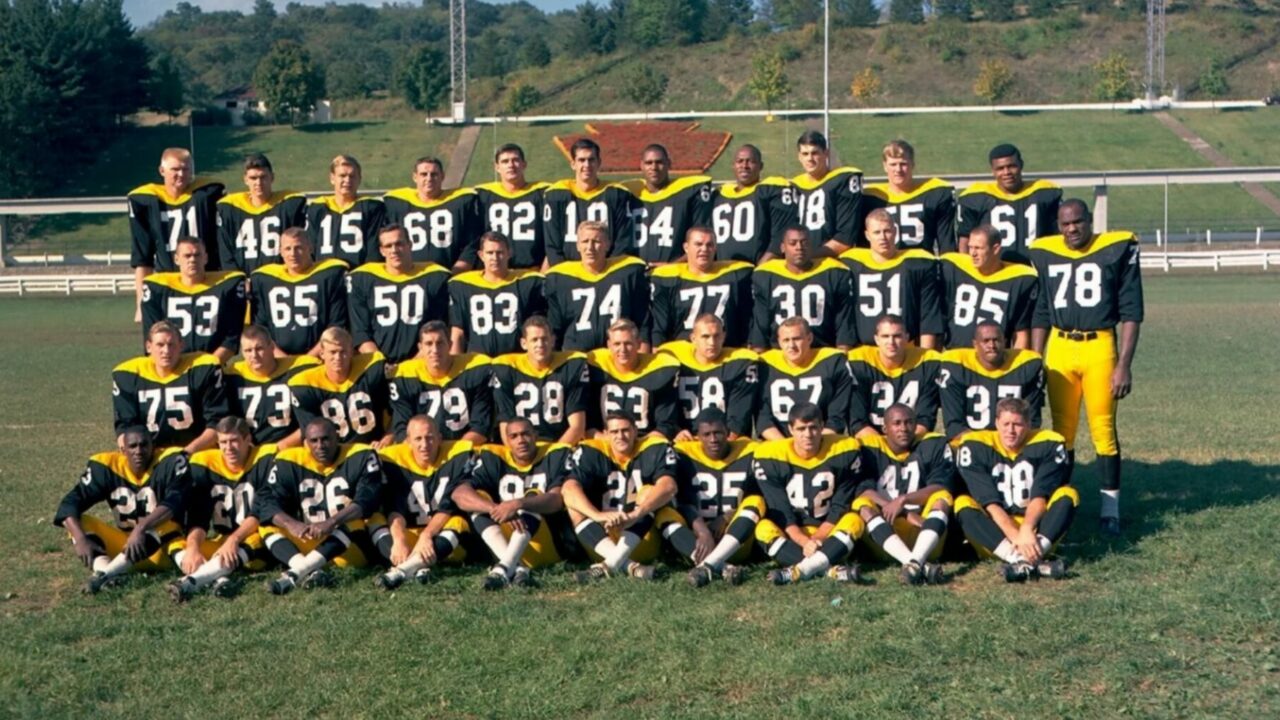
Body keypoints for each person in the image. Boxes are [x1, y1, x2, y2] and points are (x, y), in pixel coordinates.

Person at [1028, 199, 1143, 535]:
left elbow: (1132, 311)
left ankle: (1110, 511)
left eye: (1077, 222)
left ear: (1089, 221)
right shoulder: (1045, 252)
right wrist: (1036, 360)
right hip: (1060, 348)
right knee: (1061, 432)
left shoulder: (1115, 247)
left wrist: (1124, 363)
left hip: (1100, 346)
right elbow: (1042, 313)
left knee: (1103, 430)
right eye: (1065, 224)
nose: (1071, 229)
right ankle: (1062, 504)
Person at [53, 427, 191, 594]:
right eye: (133, 446)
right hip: (123, 547)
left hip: (163, 550)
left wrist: (141, 528)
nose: (138, 451)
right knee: (79, 523)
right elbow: (70, 504)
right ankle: (109, 572)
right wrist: (80, 538)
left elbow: (175, 501)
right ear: (123, 450)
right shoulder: (107, 467)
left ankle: (104, 576)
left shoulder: (170, 461)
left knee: (166, 524)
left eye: (144, 445)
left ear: (153, 446)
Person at [256, 418, 384, 595]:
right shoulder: (288, 460)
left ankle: (296, 573)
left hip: (346, 548)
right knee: (267, 525)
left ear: (337, 436)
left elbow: (368, 499)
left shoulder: (361, 455)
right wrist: (291, 524)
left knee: (356, 521)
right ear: (305, 443)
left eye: (326, 439)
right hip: (308, 540)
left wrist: (332, 521)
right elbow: (266, 503)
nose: (320, 446)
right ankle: (310, 569)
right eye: (314, 441)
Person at [954, 398, 1077, 582]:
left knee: (1069, 494)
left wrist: (1027, 529)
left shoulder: (1048, 443)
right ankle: (1025, 561)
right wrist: (1016, 536)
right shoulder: (975, 445)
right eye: (1006, 424)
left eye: (1017, 424)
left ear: (1028, 424)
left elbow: (1040, 496)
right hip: (996, 536)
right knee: (962, 503)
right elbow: (990, 504)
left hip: (1036, 535)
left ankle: (1023, 564)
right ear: (996, 423)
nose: (1010, 431)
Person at [561, 412, 691, 582]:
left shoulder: (653, 447)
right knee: (574, 506)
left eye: (625, 430)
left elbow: (668, 486)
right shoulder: (591, 450)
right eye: (614, 432)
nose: (620, 436)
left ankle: (611, 565)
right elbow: (568, 489)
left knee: (648, 491)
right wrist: (598, 516)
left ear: (636, 431)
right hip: (602, 540)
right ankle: (630, 566)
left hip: (641, 536)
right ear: (606, 434)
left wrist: (635, 515)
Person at [451, 418, 573, 589]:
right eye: (514, 436)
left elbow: (556, 501)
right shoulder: (494, 457)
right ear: (507, 441)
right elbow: (459, 494)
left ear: (535, 435)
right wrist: (495, 508)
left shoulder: (554, 454)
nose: (521, 440)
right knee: (479, 499)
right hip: (506, 541)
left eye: (525, 434)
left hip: (546, 543)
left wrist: (517, 503)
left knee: (533, 497)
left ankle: (504, 567)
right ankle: (515, 567)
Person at [754, 403, 865, 585]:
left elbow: (840, 504)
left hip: (829, 533)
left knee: (854, 520)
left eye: (813, 427)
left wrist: (818, 537)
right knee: (763, 528)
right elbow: (780, 510)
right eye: (801, 429)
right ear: (790, 429)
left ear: (822, 426)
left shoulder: (845, 450)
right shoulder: (770, 455)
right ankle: (829, 571)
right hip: (793, 534)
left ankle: (800, 571)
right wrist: (804, 541)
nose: (808, 434)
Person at [168, 417, 276, 602]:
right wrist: (193, 547)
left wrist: (234, 539)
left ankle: (190, 583)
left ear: (248, 439)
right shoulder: (205, 463)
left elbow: (261, 511)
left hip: (253, 540)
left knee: (260, 538)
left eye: (234, 441)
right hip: (222, 541)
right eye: (223, 442)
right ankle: (218, 576)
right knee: (177, 545)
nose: (229, 448)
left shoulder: (264, 459)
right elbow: (198, 516)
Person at [851, 404, 956, 585]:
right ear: (884, 428)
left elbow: (940, 485)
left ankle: (914, 563)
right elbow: (862, 489)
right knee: (862, 504)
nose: (903, 428)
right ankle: (914, 562)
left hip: (925, 531)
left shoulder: (933, 444)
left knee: (943, 497)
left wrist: (904, 499)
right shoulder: (869, 448)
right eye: (897, 423)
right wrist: (905, 512)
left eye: (909, 422)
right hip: (887, 534)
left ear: (916, 425)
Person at [369, 416, 473, 590]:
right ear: (408, 441)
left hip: (440, 536)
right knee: (374, 520)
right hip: (409, 533)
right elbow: (395, 508)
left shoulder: (457, 455)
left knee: (459, 521)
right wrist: (399, 539)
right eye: (418, 439)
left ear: (440, 438)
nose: (424, 445)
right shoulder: (393, 459)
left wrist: (427, 535)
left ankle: (402, 570)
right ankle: (418, 566)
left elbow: (448, 507)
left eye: (430, 437)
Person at [128, 147, 225, 321]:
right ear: (162, 170)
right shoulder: (146, 200)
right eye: (175, 169)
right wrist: (141, 304)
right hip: (168, 282)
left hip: (205, 282)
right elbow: (143, 258)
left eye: (186, 169)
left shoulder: (208, 193)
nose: (181, 174)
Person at [676, 409, 763, 588]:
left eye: (718, 433)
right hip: (697, 539)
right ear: (697, 436)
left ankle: (707, 565)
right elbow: (680, 500)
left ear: (728, 432)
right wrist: (702, 530)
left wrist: (725, 518)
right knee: (665, 514)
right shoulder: (683, 454)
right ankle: (723, 566)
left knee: (756, 501)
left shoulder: (750, 450)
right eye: (706, 434)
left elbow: (760, 493)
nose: (713, 440)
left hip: (735, 537)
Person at [112, 320, 229, 453]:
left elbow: (217, 424)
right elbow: (124, 428)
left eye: (171, 345)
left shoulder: (202, 369)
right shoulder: (129, 375)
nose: (166, 351)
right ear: (148, 347)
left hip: (197, 454)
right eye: (160, 345)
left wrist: (186, 453)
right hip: (149, 456)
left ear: (181, 346)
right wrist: (137, 453)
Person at [347, 224, 450, 365]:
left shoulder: (434, 277)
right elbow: (361, 332)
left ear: (410, 244)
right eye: (388, 246)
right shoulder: (363, 279)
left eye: (399, 244)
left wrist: (408, 367)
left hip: (422, 364)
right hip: (378, 365)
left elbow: (437, 329)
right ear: (381, 251)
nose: (394, 250)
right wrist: (381, 365)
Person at [840, 209, 944, 348]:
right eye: (877, 232)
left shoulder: (917, 263)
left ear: (895, 231)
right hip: (866, 351)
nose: (883, 237)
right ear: (867, 235)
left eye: (887, 231)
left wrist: (927, 358)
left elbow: (928, 318)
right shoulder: (851, 263)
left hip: (904, 348)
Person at [544, 220, 650, 351]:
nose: (590, 247)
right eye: (585, 241)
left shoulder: (628, 272)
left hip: (618, 355)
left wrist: (643, 352)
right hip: (577, 355)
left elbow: (642, 321)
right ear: (577, 245)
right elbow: (555, 327)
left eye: (596, 242)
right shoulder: (561, 278)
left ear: (607, 245)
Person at [141, 235, 247, 361]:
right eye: (187, 256)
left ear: (206, 258)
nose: (192, 260)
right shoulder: (158, 289)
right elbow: (152, 338)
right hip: (173, 367)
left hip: (213, 364)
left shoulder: (227, 287)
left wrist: (209, 366)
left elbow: (231, 338)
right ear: (176, 259)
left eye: (197, 255)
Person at [750, 225, 855, 350]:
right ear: (783, 247)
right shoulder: (766, 275)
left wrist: (841, 355)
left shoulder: (834, 272)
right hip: (780, 354)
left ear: (812, 246)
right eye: (792, 243)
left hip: (820, 352)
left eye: (804, 243)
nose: (799, 248)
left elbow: (843, 323)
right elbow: (760, 325)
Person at [657, 314, 758, 441]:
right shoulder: (674, 359)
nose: (712, 342)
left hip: (722, 443)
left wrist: (720, 444)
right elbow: (666, 412)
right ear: (693, 338)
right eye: (705, 336)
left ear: (724, 336)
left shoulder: (740, 363)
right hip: (686, 441)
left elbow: (737, 422)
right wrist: (676, 432)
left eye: (717, 336)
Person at [249, 227, 348, 356]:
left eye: (299, 248)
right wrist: (281, 357)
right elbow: (261, 328)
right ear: (280, 251)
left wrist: (310, 357)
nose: (293, 254)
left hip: (318, 358)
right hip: (277, 361)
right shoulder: (265, 279)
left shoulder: (329, 275)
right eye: (287, 249)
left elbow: (335, 325)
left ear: (310, 248)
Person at [490, 317, 590, 444]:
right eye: (534, 340)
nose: (540, 344)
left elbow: (577, 427)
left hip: (559, 444)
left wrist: (556, 454)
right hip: (522, 449)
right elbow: (505, 424)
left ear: (553, 340)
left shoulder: (571, 366)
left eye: (544, 339)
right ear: (523, 343)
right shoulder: (507, 369)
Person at [648, 226, 753, 347]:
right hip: (684, 353)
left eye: (709, 245)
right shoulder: (669, 279)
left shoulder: (735, 275)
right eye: (698, 244)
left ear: (715, 248)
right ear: (686, 247)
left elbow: (746, 322)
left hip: (724, 351)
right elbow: (660, 328)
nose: (704, 249)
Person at [389, 321, 492, 443]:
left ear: (450, 344)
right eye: (428, 344)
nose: (435, 350)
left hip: (465, 453)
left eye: (440, 343)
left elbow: (481, 427)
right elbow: (401, 430)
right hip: (423, 455)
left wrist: (455, 454)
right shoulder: (405, 376)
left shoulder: (474, 369)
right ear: (420, 348)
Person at [938, 321, 1045, 439]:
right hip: (972, 445)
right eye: (986, 341)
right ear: (975, 344)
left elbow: (1032, 421)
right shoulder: (956, 366)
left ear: (1005, 341)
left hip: (1013, 443)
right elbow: (954, 427)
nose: (992, 345)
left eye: (996, 340)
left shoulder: (1027, 365)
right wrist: (985, 447)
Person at [939, 224, 1038, 349]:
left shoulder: (1018, 279)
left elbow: (1020, 333)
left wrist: (1018, 366)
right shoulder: (953, 268)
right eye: (970, 247)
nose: (973, 253)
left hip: (994, 358)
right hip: (956, 355)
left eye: (978, 248)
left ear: (995, 249)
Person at [957, 144, 1061, 263]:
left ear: (1021, 165)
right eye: (1000, 168)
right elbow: (965, 241)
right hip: (995, 271)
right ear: (993, 171)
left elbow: (1059, 237)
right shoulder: (976, 197)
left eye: (1011, 166)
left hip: (1035, 268)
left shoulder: (1044, 193)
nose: (1006, 172)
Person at [447, 231, 546, 357]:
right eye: (490, 253)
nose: (495, 258)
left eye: (500, 252)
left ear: (509, 253)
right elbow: (457, 334)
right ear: (481, 255)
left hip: (514, 361)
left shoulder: (527, 282)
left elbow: (536, 330)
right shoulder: (463, 285)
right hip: (478, 362)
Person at [288, 327, 391, 446]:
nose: (338, 358)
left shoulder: (371, 369)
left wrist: (386, 439)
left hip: (372, 446)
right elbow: (310, 437)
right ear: (322, 353)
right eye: (333, 352)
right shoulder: (305, 385)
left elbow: (396, 413)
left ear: (352, 352)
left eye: (343, 352)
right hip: (332, 455)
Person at [542, 138, 639, 264]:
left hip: (606, 269)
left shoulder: (616, 194)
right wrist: (562, 273)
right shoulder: (557, 194)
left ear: (599, 162)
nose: (587, 165)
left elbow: (622, 241)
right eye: (581, 160)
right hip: (569, 271)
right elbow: (552, 245)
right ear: (573, 164)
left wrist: (611, 270)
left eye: (591, 160)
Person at [756, 317, 852, 440]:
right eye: (786, 340)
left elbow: (837, 418)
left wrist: (813, 444)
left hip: (821, 444)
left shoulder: (832, 362)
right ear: (779, 342)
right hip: (778, 446)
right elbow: (763, 419)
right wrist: (787, 448)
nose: (791, 345)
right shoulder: (766, 365)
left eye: (797, 339)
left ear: (809, 338)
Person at [224, 325, 319, 447]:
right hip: (249, 453)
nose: (254, 355)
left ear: (272, 347)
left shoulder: (299, 369)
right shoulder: (233, 375)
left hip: (290, 450)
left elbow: (310, 422)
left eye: (259, 348)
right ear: (242, 353)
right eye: (248, 351)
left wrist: (282, 446)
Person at [847, 314, 941, 438]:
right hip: (871, 444)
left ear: (907, 338)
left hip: (910, 441)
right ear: (876, 339)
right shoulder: (859, 362)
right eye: (885, 336)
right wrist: (885, 448)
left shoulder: (926, 362)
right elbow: (857, 423)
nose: (891, 342)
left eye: (897, 336)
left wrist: (903, 443)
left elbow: (925, 420)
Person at [383, 156, 482, 271]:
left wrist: (456, 271)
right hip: (410, 275)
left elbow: (472, 243)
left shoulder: (460, 202)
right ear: (415, 177)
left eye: (434, 174)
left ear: (442, 176)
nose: (429, 178)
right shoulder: (397, 204)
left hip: (450, 273)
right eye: (424, 174)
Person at [588, 319, 680, 439]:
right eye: (617, 344)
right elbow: (586, 425)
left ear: (639, 343)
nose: (623, 349)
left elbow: (665, 426)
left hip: (646, 445)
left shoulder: (658, 370)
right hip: (606, 444)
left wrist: (638, 444)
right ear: (609, 345)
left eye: (628, 343)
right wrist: (608, 441)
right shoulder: (597, 368)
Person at [215, 152, 307, 273]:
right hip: (244, 279)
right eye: (253, 178)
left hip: (278, 278)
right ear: (245, 180)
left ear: (272, 177)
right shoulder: (231, 208)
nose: (258, 183)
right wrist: (237, 279)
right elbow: (226, 252)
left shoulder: (288, 205)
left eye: (263, 177)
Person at [861, 139, 956, 254]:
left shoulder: (933, 193)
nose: (898, 170)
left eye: (903, 164)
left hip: (921, 266)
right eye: (893, 164)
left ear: (913, 164)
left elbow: (947, 246)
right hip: (885, 268)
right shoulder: (871, 197)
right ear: (885, 166)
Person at [625, 144, 713, 265]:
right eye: (648, 163)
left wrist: (672, 266)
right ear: (641, 165)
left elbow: (700, 242)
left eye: (659, 162)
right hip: (637, 274)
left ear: (668, 164)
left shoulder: (686, 193)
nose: (654, 167)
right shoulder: (629, 194)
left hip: (675, 274)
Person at [711, 144, 797, 263]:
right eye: (739, 161)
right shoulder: (718, 195)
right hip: (724, 272)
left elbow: (780, 235)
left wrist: (760, 270)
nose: (744, 166)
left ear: (760, 166)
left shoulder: (769, 191)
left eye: (750, 161)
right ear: (733, 166)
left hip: (758, 268)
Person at [786, 130, 862, 256]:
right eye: (805, 154)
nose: (810, 158)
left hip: (831, 262)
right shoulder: (794, 187)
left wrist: (812, 257)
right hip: (799, 261)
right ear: (799, 156)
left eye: (815, 153)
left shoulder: (840, 181)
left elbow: (845, 237)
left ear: (826, 154)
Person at [474, 143, 548, 269]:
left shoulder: (541, 193)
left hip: (531, 270)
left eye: (515, 160)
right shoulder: (483, 195)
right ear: (497, 167)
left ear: (524, 164)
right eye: (505, 161)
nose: (510, 165)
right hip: (495, 272)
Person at [306, 154, 386, 268]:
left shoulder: (371, 207)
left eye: (352, 176)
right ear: (332, 178)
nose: (347, 180)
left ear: (359, 179)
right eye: (342, 176)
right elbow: (311, 248)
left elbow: (373, 250)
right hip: (324, 274)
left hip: (357, 273)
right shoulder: (318, 207)